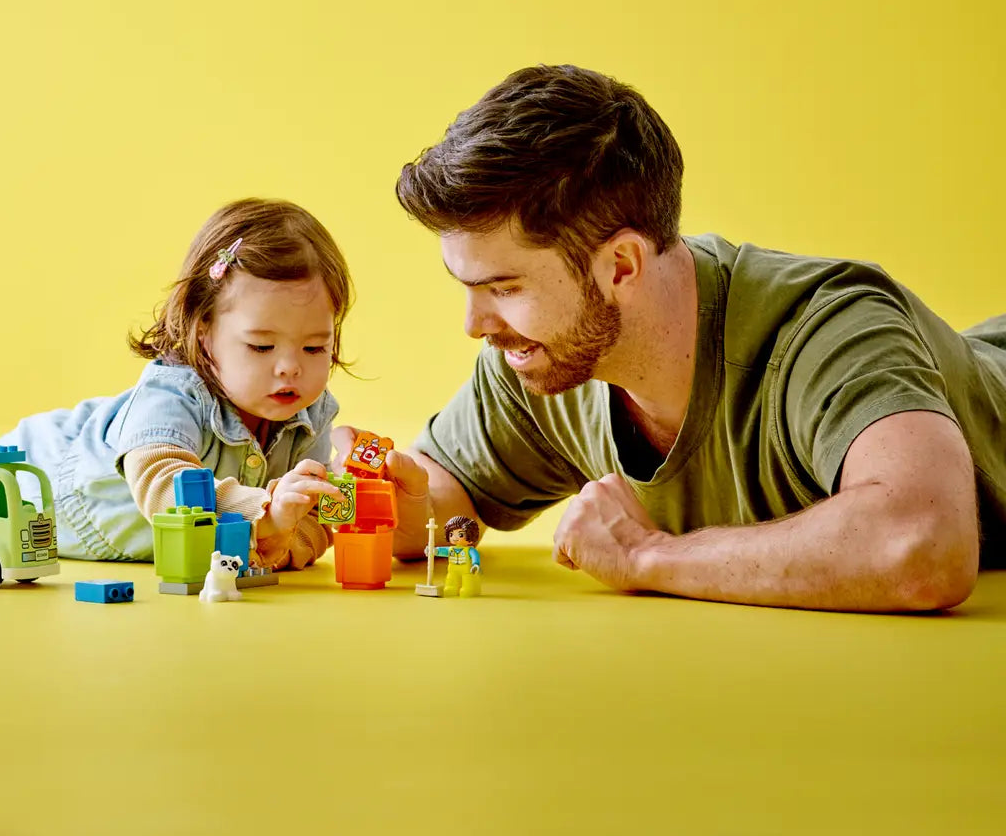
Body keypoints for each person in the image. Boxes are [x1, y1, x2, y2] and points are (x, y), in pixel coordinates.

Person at [369, 63, 1006, 613]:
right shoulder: (544, 359)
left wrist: (649, 558)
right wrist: (352, 499)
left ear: (620, 265)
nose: (474, 325)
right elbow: (444, 492)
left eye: (504, 288)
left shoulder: (829, 332)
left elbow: (923, 545)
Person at [0, 197, 352, 571]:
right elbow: (166, 486)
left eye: (314, 347)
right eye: (261, 346)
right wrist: (263, 509)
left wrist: (288, 531)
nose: (290, 368)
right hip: (32, 474)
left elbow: (310, 527)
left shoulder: (313, 414)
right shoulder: (173, 395)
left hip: (80, 497)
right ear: (203, 331)